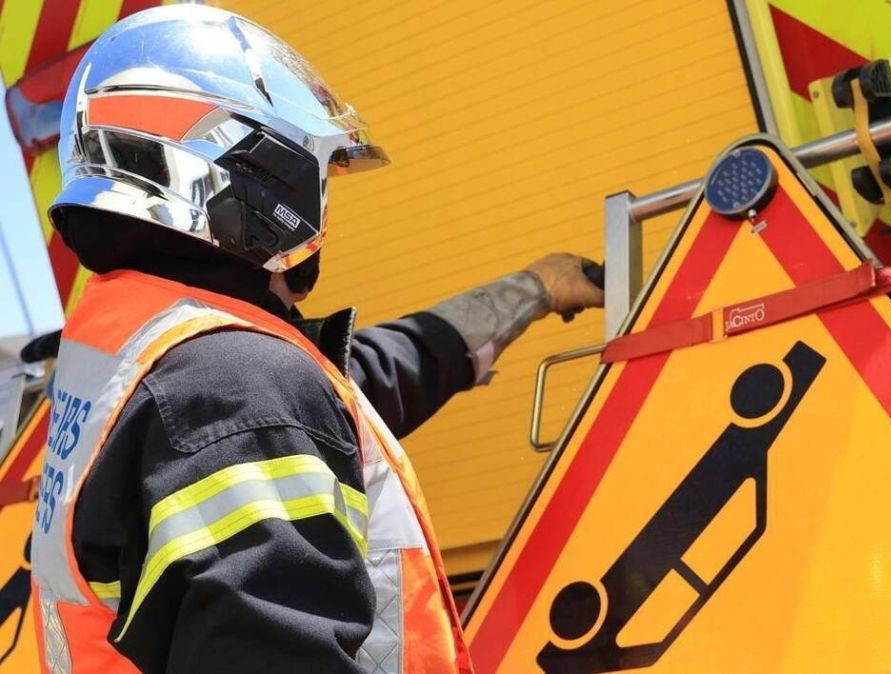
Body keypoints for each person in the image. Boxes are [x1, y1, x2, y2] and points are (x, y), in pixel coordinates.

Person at [30, 5, 602, 674]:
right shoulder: (236, 384)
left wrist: (528, 291)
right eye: (318, 176)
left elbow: (354, 390)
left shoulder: (138, 338)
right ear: (253, 171)